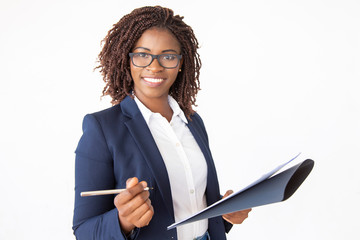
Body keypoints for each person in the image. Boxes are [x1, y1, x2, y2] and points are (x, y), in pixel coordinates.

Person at [72, 6, 251, 240]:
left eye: (167, 56)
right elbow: (84, 230)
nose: (154, 67)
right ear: (127, 59)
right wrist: (124, 221)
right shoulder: (102, 129)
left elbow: (192, 202)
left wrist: (225, 211)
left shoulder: (192, 122)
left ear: (180, 63)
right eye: (142, 55)